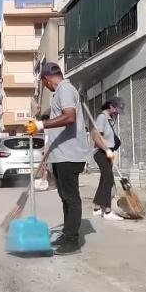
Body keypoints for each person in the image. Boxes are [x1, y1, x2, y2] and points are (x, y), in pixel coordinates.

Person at [26, 62, 91, 255]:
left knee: (71, 198)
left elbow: (69, 116)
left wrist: (41, 125)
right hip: (62, 154)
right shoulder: (62, 92)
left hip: (70, 155)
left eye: (43, 83)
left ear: (46, 79)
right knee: (65, 197)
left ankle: (72, 241)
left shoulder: (65, 89)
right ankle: (67, 233)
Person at [90, 97, 125, 221]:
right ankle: (107, 211)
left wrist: (110, 150)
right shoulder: (102, 118)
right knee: (109, 180)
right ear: (110, 106)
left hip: (108, 152)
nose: (117, 113)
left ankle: (96, 207)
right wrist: (106, 150)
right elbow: (95, 136)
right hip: (101, 152)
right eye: (116, 110)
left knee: (104, 180)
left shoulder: (110, 119)